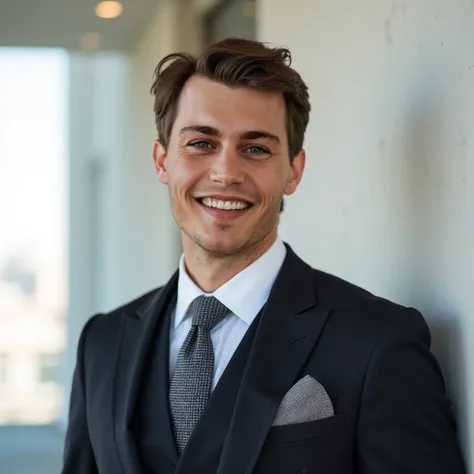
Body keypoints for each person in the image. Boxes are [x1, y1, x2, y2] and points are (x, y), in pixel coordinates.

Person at [62, 37, 466, 474]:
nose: (226, 172)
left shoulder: (377, 340)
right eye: (201, 143)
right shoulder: (101, 343)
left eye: (255, 148)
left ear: (293, 170)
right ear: (163, 161)